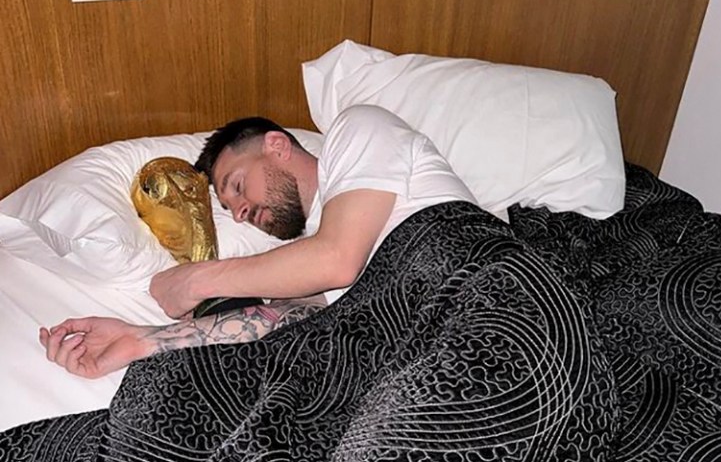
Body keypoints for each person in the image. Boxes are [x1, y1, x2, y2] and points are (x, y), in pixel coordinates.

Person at [41, 104, 477, 377]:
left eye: (237, 185)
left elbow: (337, 259)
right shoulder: (305, 258)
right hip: (430, 356)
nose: (240, 212)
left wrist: (198, 280)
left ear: (277, 145)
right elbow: (280, 323)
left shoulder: (359, 128)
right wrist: (144, 340)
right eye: (230, 210)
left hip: (481, 293)